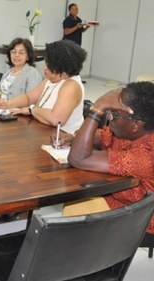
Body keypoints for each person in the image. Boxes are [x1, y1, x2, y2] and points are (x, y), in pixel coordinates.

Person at [65, 82, 154, 233]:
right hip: (121, 197)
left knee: (73, 211)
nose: (108, 117)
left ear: (136, 125)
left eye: (114, 114)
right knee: (73, 200)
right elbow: (99, 135)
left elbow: (78, 159)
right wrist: (74, 138)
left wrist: (97, 108)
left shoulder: (145, 157)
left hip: (141, 217)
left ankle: (92, 251)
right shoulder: (131, 132)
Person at [0, 39, 87, 135]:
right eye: (46, 63)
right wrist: (7, 104)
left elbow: (56, 119)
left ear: (63, 71)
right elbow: (28, 98)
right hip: (43, 131)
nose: (45, 67)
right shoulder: (50, 79)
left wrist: (31, 110)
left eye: (49, 65)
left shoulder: (71, 86)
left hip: (62, 140)